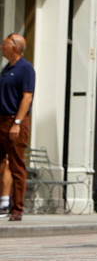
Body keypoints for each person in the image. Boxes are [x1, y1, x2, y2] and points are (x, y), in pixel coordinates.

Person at [0, 34, 33, 222]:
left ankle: (17, 209)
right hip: (2, 119)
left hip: (14, 121)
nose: (1, 46)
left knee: (16, 165)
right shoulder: (7, 69)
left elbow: (27, 97)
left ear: (14, 47)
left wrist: (18, 123)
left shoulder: (25, 69)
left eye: (4, 43)